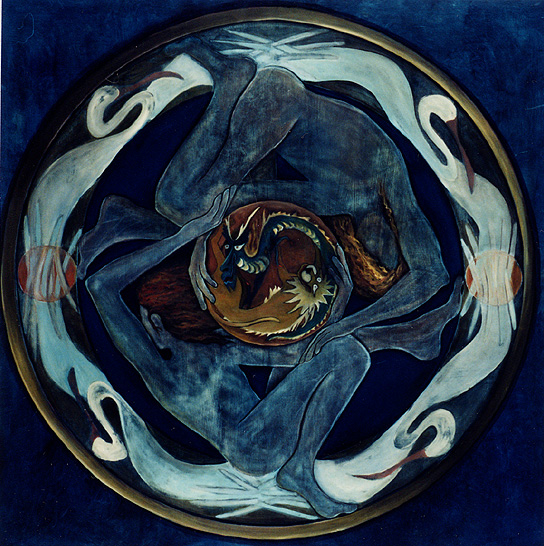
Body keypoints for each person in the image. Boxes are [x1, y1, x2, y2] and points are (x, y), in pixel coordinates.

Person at [82, 39, 460, 517]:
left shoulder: (361, 198)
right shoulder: (359, 194)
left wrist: (198, 237)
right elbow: (252, 204)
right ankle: (227, 90)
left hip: (279, 112)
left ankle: (139, 208)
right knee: (181, 203)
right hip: (278, 106)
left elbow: (429, 277)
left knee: (190, 210)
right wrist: (199, 236)